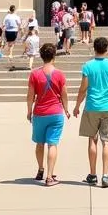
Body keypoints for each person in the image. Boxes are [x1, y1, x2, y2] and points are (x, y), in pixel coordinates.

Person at [72, 36, 108, 188]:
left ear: (94, 49)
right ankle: (105, 175)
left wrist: (77, 105)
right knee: (107, 141)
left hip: (92, 106)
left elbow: (83, 88)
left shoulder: (88, 66)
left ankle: (93, 174)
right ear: (107, 49)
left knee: (92, 140)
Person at [26, 43, 70, 186]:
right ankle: (50, 176)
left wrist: (29, 111)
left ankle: (40, 169)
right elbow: (64, 95)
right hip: (56, 113)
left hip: (39, 112)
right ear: (54, 56)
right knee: (52, 144)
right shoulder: (59, 74)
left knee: (40, 143)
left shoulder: (34, 74)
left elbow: (30, 96)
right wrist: (67, 109)